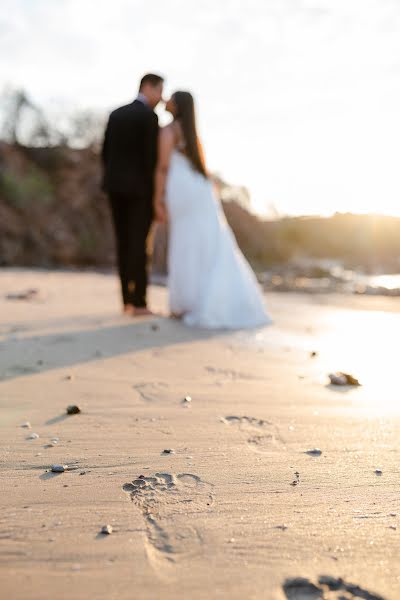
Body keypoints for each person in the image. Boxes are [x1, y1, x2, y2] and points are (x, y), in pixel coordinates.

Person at [153, 91, 272, 329]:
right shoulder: (191, 132)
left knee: (185, 240)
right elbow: (203, 168)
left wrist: (157, 198)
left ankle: (185, 303)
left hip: (181, 187)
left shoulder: (168, 131)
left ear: (177, 105)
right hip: (200, 189)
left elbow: (163, 167)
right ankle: (199, 300)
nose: (166, 101)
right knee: (208, 241)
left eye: (171, 99)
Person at [101, 73, 164, 316]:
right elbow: (152, 160)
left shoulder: (116, 114)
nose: (160, 97)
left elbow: (105, 153)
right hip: (140, 191)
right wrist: (156, 194)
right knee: (139, 245)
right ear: (147, 87)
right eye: (159, 91)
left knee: (123, 243)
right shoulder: (149, 117)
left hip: (114, 187)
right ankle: (139, 302)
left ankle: (126, 300)